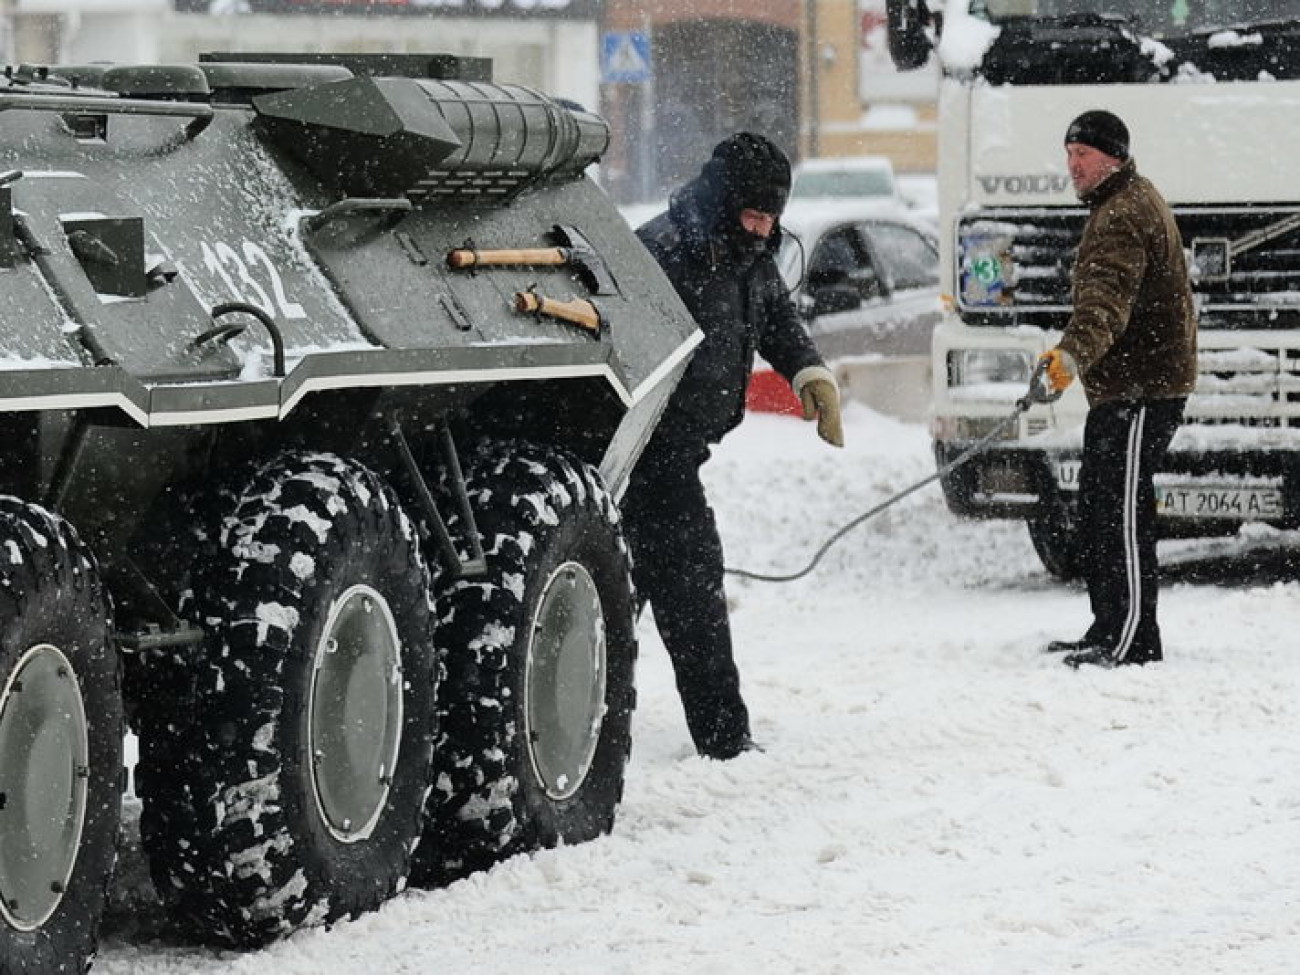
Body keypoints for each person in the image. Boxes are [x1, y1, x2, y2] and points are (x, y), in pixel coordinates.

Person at [622, 133, 844, 758]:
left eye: (772, 215)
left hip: (680, 455)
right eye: (752, 212)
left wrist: (808, 371)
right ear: (722, 201)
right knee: (672, 595)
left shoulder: (747, 250)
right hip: (638, 460)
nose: (764, 226)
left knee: (663, 599)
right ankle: (705, 741)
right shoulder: (662, 254)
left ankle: (707, 737)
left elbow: (774, 317)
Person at [1038, 109, 1197, 669]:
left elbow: (1105, 307)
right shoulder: (1120, 203)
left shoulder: (1123, 213)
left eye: (1082, 154)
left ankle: (1132, 641)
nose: (1072, 166)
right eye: (1068, 155)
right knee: (1100, 505)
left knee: (1122, 511)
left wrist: (1068, 357)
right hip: (1122, 388)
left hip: (1142, 388)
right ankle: (1109, 627)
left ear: (1113, 156)